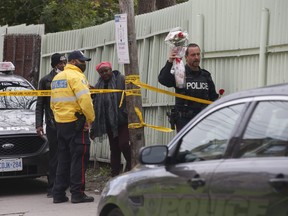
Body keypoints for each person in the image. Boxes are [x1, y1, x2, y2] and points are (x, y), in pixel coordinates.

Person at [50, 50, 95, 204]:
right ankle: (77, 193)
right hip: (76, 123)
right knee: (79, 158)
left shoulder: (57, 77)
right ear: (74, 61)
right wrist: (90, 119)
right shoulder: (77, 76)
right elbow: (85, 100)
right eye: (83, 61)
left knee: (63, 159)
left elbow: (53, 103)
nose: (85, 64)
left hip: (61, 123)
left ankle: (58, 193)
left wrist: (59, 119)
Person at [158, 43, 219, 132]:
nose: (196, 57)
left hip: (203, 120)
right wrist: (170, 62)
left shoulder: (205, 75)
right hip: (185, 122)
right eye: (193, 55)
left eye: (198, 54)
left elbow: (213, 97)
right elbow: (163, 79)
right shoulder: (180, 74)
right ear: (186, 57)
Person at [90, 61, 131, 177]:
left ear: (111, 69)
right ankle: (114, 175)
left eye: (106, 70)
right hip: (108, 122)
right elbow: (96, 105)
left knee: (123, 144)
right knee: (114, 149)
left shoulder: (121, 79)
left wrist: (126, 113)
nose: (104, 74)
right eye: (101, 72)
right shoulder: (98, 85)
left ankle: (131, 164)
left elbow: (131, 96)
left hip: (122, 120)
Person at [35, 53, 67, 198]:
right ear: (54, 64)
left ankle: (63, 185)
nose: (63, 65)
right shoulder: (45, 80)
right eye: (60, 63)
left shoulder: (68, 77)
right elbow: (40, 104)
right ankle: (52, 186)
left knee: (66, 154)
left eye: (65, 62)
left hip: (67, 122)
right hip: (52, 123)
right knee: (54, 156)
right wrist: (39, 124)